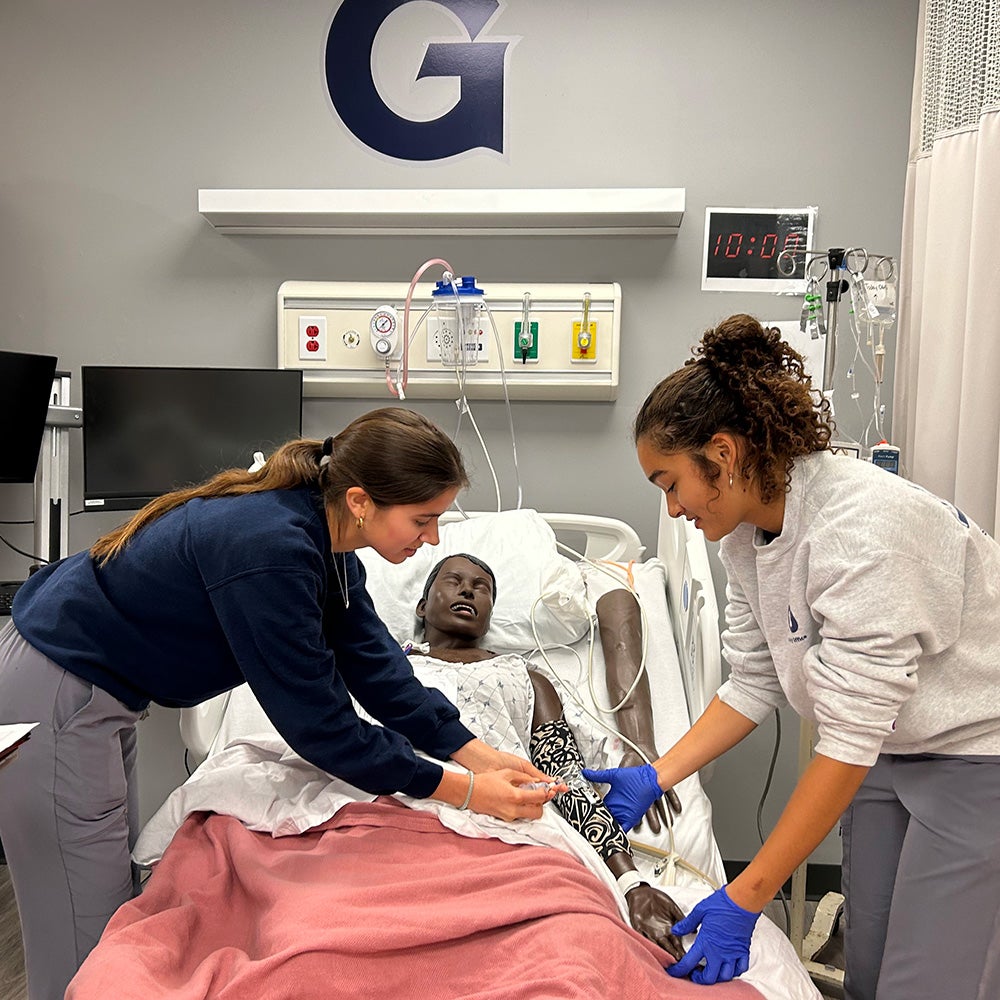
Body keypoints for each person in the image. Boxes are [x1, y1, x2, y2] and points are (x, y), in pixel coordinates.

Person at [0, 406, 558, 1000]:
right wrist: (466, 791)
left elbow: (376, 668)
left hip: (98, 690)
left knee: (112, 915)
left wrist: (476, 754)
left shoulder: (331, 547)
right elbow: (322, 728)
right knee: (86, 960)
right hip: (56, 688)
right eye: (424, 520)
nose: (434, 538)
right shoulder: (269, 548)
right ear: (362, 500)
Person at [583, 314, 1000, 998]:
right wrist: (657, 776)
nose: (673, 506)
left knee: (931, 981)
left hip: (978, 751)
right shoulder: (743, 536)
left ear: (721, 455)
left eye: (668, 483)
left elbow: (846, 737)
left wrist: (746, 898)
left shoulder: (864, 530)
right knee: (870, 968)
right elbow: (754, 678)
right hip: (891, 749)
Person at [412, 551, 687, 961]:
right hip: (412, 814)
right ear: (421, 606)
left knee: (570, 952)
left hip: (508, 830)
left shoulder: (526, 677)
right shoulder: (387, 668)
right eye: (453, 581)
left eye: (482, 587)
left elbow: (564, 779)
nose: (468, 589)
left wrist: (632, 884)